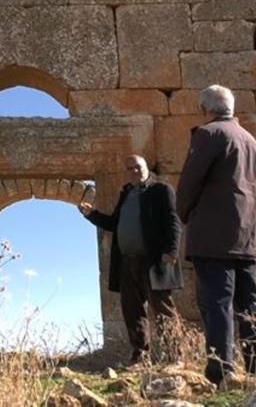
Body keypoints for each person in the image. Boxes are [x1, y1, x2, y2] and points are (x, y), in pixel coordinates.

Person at [176, 85, 256, 387]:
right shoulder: (250, 140)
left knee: (217, 301)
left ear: (205, 110)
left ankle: (221, 370)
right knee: (250, 300)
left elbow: (190, 181)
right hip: (246, 234)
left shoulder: (209, 134)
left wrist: (184, 212)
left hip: (213, 234)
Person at [79, 155, 182, 365]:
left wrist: (171, 251)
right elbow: (114, 224)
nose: (133, 171)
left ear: (146, 168)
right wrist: (92, 215)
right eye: (129, 168)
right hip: (127, 262)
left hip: (154, 260)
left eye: (137, 167)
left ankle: (175, 357)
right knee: (132, 311)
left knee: (163, 309)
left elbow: (173, 221)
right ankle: (140, 356)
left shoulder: (161, 190)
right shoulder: (126, 194)